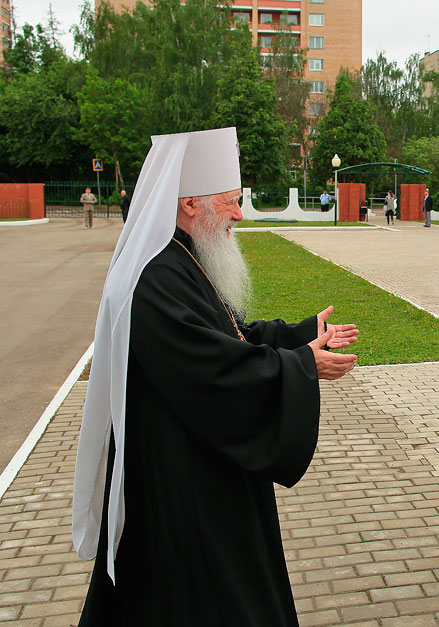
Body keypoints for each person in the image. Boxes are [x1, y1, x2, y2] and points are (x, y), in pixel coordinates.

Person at [72, 127, 359, 625]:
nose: (239, 214)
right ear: (189, 203)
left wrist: (301, 333)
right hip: (180, 481)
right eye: (231, 201)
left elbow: (231, 332)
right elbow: (213, 370)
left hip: (199, 463)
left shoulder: (180, 256)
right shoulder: (155, 276)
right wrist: (301, 365)